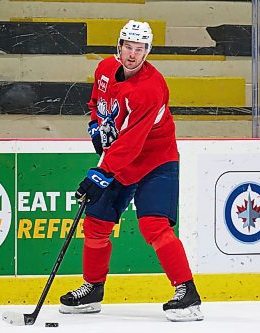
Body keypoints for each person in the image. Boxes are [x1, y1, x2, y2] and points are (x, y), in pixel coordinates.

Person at [59, 20, 203, 322]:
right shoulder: (104, 70)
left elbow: (132, 143)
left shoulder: (150, 88)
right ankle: (93, 289)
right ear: (119, 47)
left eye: (140, 49)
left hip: (155, 161)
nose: (133, 55)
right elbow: (99, 102)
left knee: (154, 225)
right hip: (122, 160)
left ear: (147, 52)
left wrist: (101, 173)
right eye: (129, 47)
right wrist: (96, 127)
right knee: (96, 223)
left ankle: (187, 293)